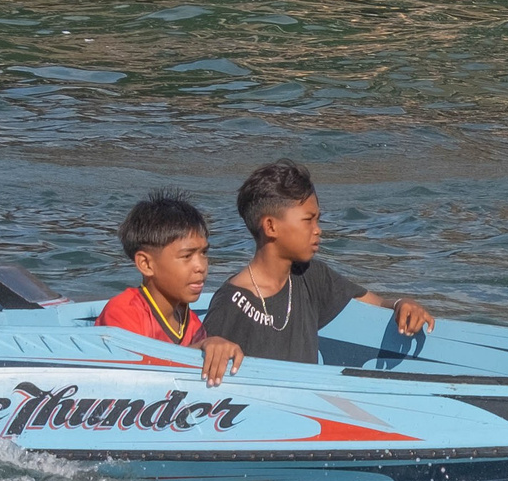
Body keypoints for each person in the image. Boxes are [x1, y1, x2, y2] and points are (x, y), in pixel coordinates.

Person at [199, 161, 434, 366]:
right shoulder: (230, 302)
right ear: (270, 227)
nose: (317, 230)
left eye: (318, 220)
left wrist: (402, 304)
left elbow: (375, 303)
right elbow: (198, 361)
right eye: (308, 220)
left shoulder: (311, 276)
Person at [98, 191, 247, 388]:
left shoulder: (190, 322)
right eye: (187, 256)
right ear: (146, 264)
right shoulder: (124, 312)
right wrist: (201, 349)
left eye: (203, 253)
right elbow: (134, 376)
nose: (200, 266)